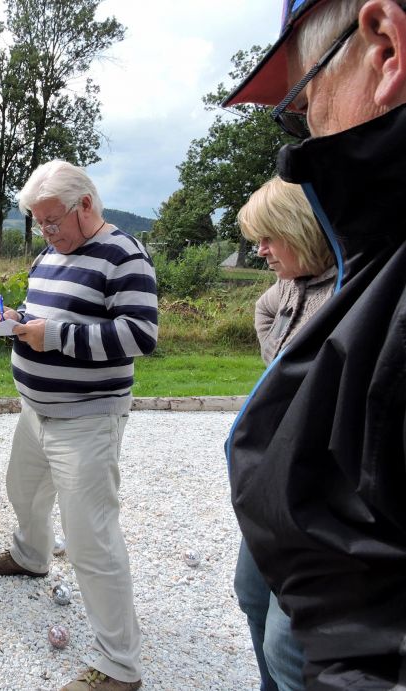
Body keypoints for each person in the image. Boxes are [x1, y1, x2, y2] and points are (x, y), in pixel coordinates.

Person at [222, 0, 406, 686]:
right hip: (298, 535)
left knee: (286, 650)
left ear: (384, 47)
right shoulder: (334, 284)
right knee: (260, 617)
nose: (305, 139)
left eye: (303, 100)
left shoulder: (373, 284)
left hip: (331, 577)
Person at [0, 160, 158, 691]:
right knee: (23, 490)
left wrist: (51, 336)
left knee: (91, 542)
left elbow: (139, 336)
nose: (45, 232)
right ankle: (32, 556)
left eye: (52, 220)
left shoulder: (125, 255)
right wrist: (11, 324)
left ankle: (120, 667)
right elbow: (42, 314)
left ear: (86, 205)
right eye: (37, 222)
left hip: (86, 419)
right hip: (36, 410)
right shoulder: (50, 252)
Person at [234, 177, 337, 691]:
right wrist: (277, 361)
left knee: (289, 643)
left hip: (315, 497)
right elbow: (265, 308)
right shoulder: (293, 283)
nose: (260, 251)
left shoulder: (348, 288)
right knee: (251, 596)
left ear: (302, 228)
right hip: (270, 485)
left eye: (269, 237)